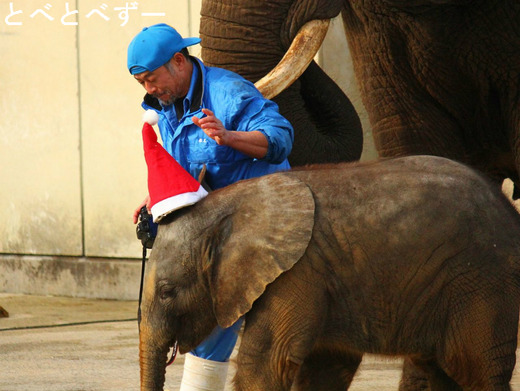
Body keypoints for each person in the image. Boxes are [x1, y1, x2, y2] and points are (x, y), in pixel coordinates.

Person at [127, 23, 294, 390]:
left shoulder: (229, 93)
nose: (150, 90)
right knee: (209, 324)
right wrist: (155, 194)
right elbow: (184, 163)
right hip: (216, 231)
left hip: (263, 226)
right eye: (142, 84)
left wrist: (228, 136)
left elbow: (281, 138)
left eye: (153, 79)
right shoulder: (165, 103)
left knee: (225, 321)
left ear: (178, 60)